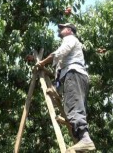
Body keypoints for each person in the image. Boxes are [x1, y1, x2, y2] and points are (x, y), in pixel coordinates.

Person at [36, 23, 96, 152]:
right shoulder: (71, 46)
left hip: (74, 74)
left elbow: (59, 53)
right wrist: (56, 89)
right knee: (72, 106)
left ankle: (86, 139)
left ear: (69, 30)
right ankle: (82, 138)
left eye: (62, 28)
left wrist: (42, 62)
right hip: (75, 75)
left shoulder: (70, 39)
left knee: (74, 107)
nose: (60, 30)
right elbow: (59, 69)